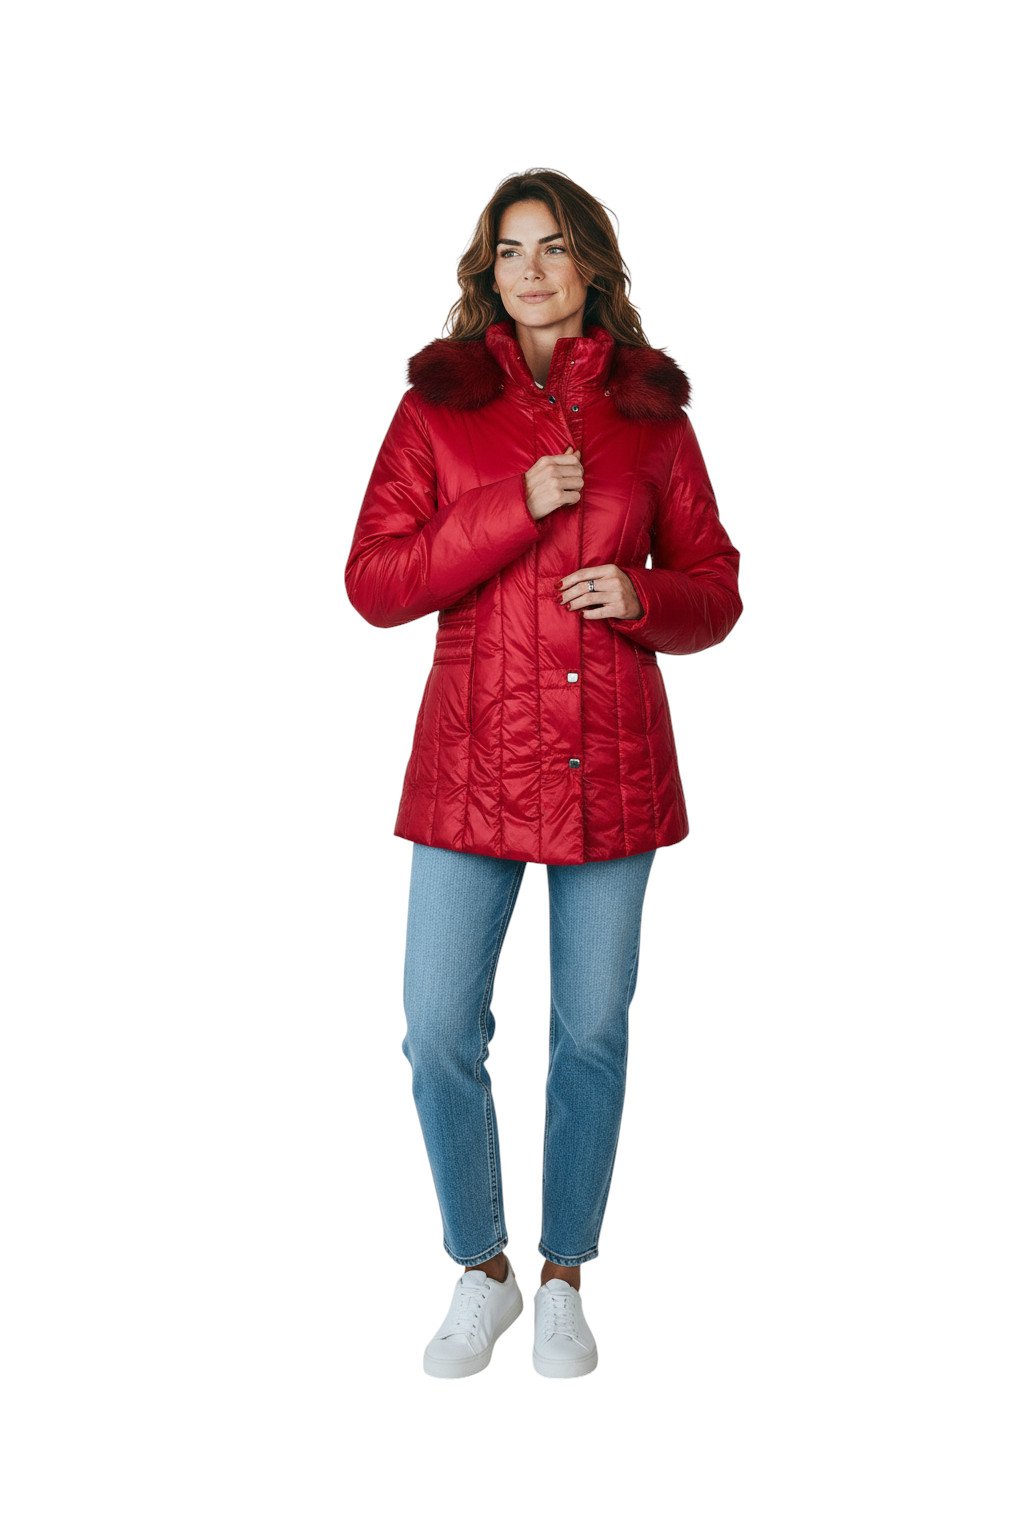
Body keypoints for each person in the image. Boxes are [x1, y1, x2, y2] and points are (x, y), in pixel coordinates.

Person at [345, 168, 742, 1378]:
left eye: (554, 247)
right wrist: (513, 506)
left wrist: (643, 595)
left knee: (591, 1035)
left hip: (608, 757)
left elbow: (716, 586)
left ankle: (565, 1274)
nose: (531, 269)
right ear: (488, 271)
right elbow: (375, 583)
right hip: (471, 760)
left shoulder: (651, 413)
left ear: (590, 267)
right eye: (510, 249)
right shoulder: (436, 410)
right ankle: (484, 1269)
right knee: (434, 1030)